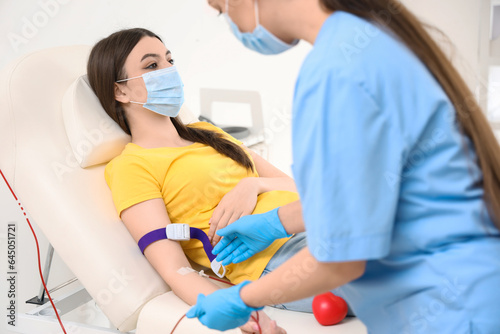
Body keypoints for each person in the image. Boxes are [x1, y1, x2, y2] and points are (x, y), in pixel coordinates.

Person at [186, 0, 500, 333]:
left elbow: (338, 260)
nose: (229, 22)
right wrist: (276, 222)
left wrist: (243, 298)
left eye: (221, 9)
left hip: (449, 311)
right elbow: (371, 190)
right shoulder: (369, 40)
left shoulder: (335, 72)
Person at [86, 27, 331, 334]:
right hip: (276, 258)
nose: (169, 71)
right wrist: (241, 313)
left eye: (169, 60)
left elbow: (302, 190)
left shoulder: (208, 133)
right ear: (120, 91)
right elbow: (175, 268)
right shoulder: (131, 166)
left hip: (316, 222)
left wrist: (253, 185)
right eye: (152, 66)